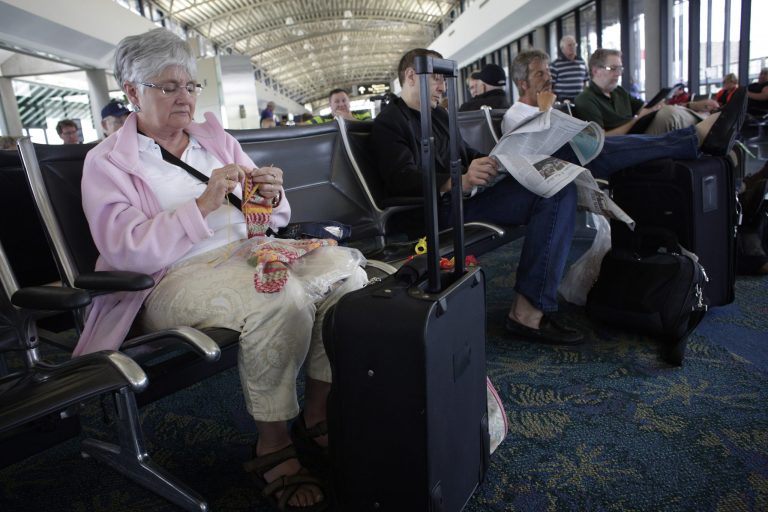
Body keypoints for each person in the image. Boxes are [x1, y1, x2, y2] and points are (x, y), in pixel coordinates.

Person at [77, 28, 367, 512]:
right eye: (168, 87)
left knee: (349, 278)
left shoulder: (217, 140)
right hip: (173, 277)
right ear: (132, 92)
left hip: (250, 253)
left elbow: (267, 218)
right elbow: (125, 249)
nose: (185, 98)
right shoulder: (107, 163)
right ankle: (272, 444)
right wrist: (203, 204)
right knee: (278, 298)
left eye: (190, 86)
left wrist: (272, 198)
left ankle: (317, 415)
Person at [373, 48, 583, 346]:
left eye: (444, 80)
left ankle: (529, 309)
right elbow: (401, 179)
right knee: (555, 193)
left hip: (464, 202)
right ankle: (528, 313)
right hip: (433, 214)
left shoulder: (439, 116)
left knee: (556, 186)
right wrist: (458, 181)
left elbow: (467, 154)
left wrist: (495, 162)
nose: (443, 87)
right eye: (436, 79)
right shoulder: (389, 122)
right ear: (410, 76)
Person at [502, 50, 740, 178]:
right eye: (540, 74)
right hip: (563, 168)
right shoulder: (515, 114)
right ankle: (698, 135)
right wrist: (545, 111)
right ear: (523, 84)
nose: (548, 78)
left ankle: (705, 137)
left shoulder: (550, 106)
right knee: (607, 145)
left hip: (580, 155)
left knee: (610, 143)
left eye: (547, 72)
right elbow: (537, 154)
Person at [574, 49, 719, 136]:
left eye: (620, 69)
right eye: (613, 69)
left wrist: (691, 105)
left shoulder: (618, 92)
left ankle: (709, 124)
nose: (619, 74)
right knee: (668, 115)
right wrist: (636, 120)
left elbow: (646, 108)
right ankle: (712, 124)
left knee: (667, 110)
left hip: (640, 134)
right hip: (627, 144)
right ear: (595, 70)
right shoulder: (585, 99)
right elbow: (601, 140)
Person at [549, 36, 588, 104]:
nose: (572, 47)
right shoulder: (556, 64)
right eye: (569, 45)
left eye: (574, 44)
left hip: (580, 101)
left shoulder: (581, 62)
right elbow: (550, 86)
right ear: (562, 48)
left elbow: (585, 82)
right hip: (562, 102)